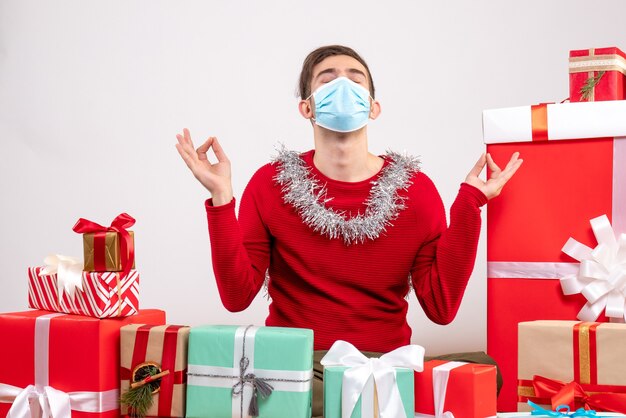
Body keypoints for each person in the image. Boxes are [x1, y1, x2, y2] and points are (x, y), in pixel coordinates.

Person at [176, 45, 522, 417]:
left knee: (485, 374)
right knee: (312, 396)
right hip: (300, 367)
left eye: (355, 79)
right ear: (307, 108)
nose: (343, 85)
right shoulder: (269, 184)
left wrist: (469, 204)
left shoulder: (416, 191)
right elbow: (236, 295)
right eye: (327, 79)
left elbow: (441, 306)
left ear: (373, 107)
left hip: (386, 367)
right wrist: (221, 198)